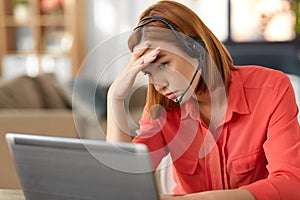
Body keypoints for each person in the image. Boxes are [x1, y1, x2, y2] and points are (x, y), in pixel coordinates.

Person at [106, 0, 300, 199]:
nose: (159, 85)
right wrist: (115, 98)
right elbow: (123, 184)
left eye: (163, 64)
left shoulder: (271, 88)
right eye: (148, 73)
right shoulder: (160, 107)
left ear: (197, 49)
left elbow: (291, 183)